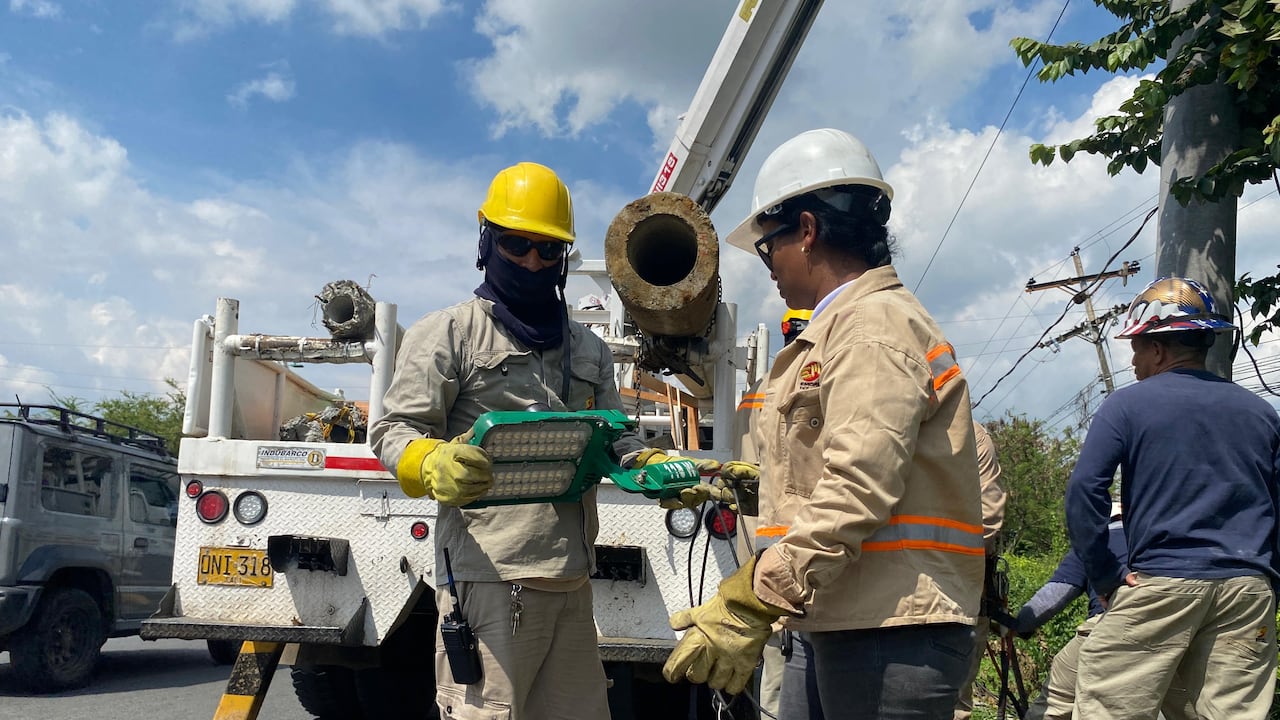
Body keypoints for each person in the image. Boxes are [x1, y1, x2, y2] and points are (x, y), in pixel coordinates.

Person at [662, 128, 985, 718]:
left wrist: (756, 598)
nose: (768, 268)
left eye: (767, 247)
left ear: (807, 231)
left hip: (891, 625)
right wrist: (747, 485)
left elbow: (858, 487)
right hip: (842, 613)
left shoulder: (872, 329)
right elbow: (837, 472)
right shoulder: (839, 333)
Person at [370, 162, 699, 720]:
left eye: (549, 251)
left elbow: (617, 438)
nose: (532, 261)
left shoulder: (587, 348)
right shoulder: (447, 333)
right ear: (487, 240)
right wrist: (428, 460)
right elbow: (392, 431)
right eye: (516, 244)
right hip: (488, 577)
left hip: (571, 579)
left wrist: (653, 466)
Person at [1065, 276, 1280, 720]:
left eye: (1137, 348)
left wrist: (1106, 578)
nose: (1132, 360)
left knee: (1111, 706)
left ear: (1159, 348)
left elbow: (1086, 491)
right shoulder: (1262, 413)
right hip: (1248, 591)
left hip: (1161, 581)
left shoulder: (1126, 405)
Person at [1015, 503, 1197, 720]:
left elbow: (1054, 596)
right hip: (1175, 627)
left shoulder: (1096, 543)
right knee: (1193, 709)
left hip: (1109, 625)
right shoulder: (1170, 540)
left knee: (1056, 701)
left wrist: (1018, 626)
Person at [729, 307, 812, 718]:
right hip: (802, 554)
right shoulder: (820, 387)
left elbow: (747, 483)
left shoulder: (761, 390)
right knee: (791, 674)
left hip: (766, 551)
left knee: (779, 671)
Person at [953, 421, 1008, 720]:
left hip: (962, 598)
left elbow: (987, 518)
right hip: (963, 593)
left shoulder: (971, 434)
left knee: (953, 703)